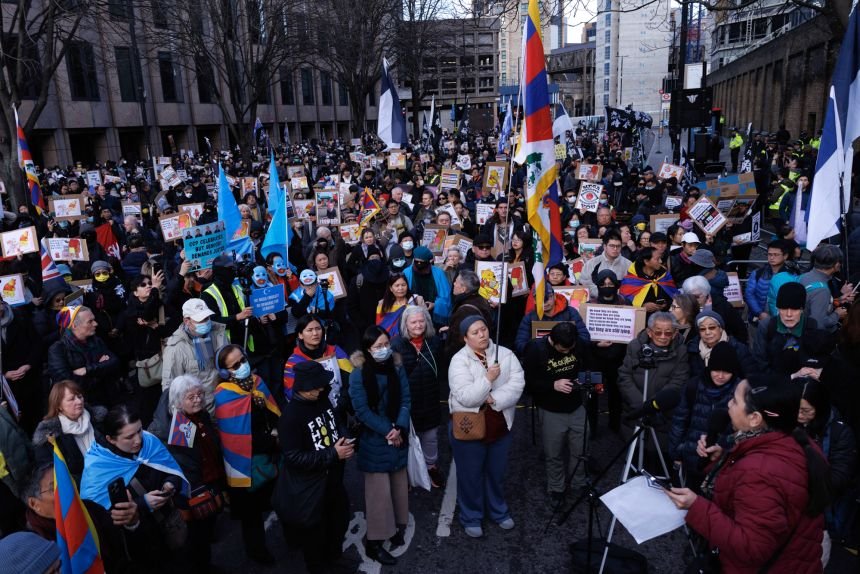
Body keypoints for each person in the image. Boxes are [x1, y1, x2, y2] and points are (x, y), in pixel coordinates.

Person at [665, 377, 830, 573]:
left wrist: (697, 507)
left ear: (755, 418)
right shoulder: (791, 440)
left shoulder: (760, 472)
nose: (728, 404)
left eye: (735, 401)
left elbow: (752, 548)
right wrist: (720, 460)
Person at [448, 316, 525, 538]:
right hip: (469, 429)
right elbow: (466, 396)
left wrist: (494, 398)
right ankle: (471, 516)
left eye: (483, 329)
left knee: (496, 473)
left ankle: (498, 511)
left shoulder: (506, 354)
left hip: (499, 427)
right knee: (470, 476)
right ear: (465, 338)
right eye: (475, 332)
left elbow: (517, 383)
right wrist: (488, 379)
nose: (482, 334)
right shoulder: (458, 361)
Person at [274, 361, 354, 574]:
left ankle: (334, 558)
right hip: (311, 488)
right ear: (304, 387)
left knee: (338, 522)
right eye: (316, 386)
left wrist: (345, 437)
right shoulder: (290, 417)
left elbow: (336, 423)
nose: (321, 389)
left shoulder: (322, 399)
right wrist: (333, 454)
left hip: (333, 480)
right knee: (315, 535)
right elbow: (293, 457)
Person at [79, 405, 190, 558]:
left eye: (139, 430)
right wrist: (142, 503)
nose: (138, 440)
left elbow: (170, 469)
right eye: (129, 437)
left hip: (171, 524)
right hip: (139, 543)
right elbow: (100, 517)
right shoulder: (97, 467)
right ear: (110, 439)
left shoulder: (149, 441)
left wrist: (170, 483)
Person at [148, 375, 225, 574]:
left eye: (200, 394)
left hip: (209, 480)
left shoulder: (200, 415)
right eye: (191, 397)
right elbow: (183, 463)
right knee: (195, 538)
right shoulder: (174, 427)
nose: (198, 400)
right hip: (193, 490)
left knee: (204, 533)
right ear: (178, 401)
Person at [348, 326, 411, 566]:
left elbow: (406, 399)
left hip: (397, 435)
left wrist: (399, 427)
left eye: (386, 345)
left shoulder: (397, 367)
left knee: (397, 487)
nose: (384, 349)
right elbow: (362, 410)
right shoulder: (358, 374)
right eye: (378, 347)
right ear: (368, 349)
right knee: (378, 495)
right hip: (374, 438)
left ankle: (393, 528)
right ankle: (374, 543)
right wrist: (388, 430)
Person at [213, 344, 281, 564]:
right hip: (245, 465)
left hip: (270, 454)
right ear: (225, 372)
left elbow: (273, 412)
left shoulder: (257, 382)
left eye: (243, 360)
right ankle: (258, 553)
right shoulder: (224, 397)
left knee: (281, 498)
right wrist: (273, 441)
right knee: (252, 516)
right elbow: (237, 438)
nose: (243, 366)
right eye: (235, 365)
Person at [523, 322, 589, 503]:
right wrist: (552, 384)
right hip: (550, 409)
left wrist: (583, 379)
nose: (567, 353)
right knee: (553, 453)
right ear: (552, 341)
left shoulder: (578, 343)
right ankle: (556, 488)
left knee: (581, 449)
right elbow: (528, 383)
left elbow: (588, 365)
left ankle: (578, 482)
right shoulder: (535, 349)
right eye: (563, 350)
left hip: (576, 406)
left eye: (570, 349)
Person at [668, 342, 741, 492]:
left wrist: (724, 446)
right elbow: (679, 420)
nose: (720, 376)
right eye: (716, 370)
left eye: (726, 372)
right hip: (691, 457)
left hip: (722, 462)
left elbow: (741, 429)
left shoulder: (740, 392)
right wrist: (677, 452)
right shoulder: (693, 386)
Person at [796, 377, 858, 545]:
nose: (799, 415)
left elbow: (839, 477)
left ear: (820, 407)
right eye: (796, 408)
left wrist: (801, 482)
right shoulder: (788, 423)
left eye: (806, 411)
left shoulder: (840, 433)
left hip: (822, 507)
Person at [390, 305, 445, 488]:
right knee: (407, 439)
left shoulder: (434, 342)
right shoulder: (396, 345)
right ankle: (407, 473)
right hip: (408, 402)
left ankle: (431, 467)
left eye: (422, 321)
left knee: (430, 437)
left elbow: (442, 369)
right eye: (413, 322)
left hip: (430, 399)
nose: (418, 325)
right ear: (405, 324)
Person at [617, 312, 690, 443]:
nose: (663, 337)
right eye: (658, 332)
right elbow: (624, 376)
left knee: (656, 452)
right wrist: (641, 405)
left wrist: (654, 405)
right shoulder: (635, 346)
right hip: (635, 410)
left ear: (675, 334)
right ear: (649, 332)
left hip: (662, 414)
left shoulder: (681, 351)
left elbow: (678, 382)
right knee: (633, 449)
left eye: (668, 333)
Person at [161, 299, 228, 415]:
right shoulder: (176, 348)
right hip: (202, 411)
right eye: (200, 320)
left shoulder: (218, 332)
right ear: (187, 321)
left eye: (207, 318)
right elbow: (170, 388)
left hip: (226, 400)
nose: (206, 322)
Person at [752, 282, 834, 377]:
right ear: (778, 309)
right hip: (774, 382)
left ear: (802, 310)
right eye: (784, 308)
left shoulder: (813, 326)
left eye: (794, 309)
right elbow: (760, 364)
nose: (789, 314)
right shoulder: (766, 326)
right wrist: (789, 378)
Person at [46, 306, 121, 409]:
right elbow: (68, 384)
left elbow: (114, 362)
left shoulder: (96, 340)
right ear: (74, 326)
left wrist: (87, 370)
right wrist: (100, 370)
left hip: (108, 398)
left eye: (94, 320)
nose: (96, 323)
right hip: (82, 406)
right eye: (90, 321)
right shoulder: (57, 350)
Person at [32, 381, 104, 484]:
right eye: (71, 399)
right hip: (82, 488)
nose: (79, 401)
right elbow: (54, 476)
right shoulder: (48, 438)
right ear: (59, 406)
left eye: (80, 397)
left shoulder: (98, 419)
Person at [282, 314, 352, 406]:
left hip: (341, 402)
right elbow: (290, 392)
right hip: (312, 407)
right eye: (309, 330)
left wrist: (344, 397)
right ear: (300, 335)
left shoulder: (334, 350)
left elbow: (351, 376)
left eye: (318, 329)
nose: (315, 333)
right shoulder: (293, 362)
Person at [515, 284, 591, 355]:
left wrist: (566, 345)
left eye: (547, 297)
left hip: (568, 356)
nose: (544, 302)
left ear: (554, 296)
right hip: (542, 358)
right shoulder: (529, 318)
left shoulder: (571, 312)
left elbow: (585, 338)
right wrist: (539, 348)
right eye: (539, 298)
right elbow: (520, 344)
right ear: (534, 301)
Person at [799, 244, 855, 334]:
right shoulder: (822, 290)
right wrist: (837, 315)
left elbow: (811, 303)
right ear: (836, 265)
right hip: (819, 338)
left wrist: (839, 300)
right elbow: (818, 324)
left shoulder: (804, 276)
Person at [686, 310, 755, 381]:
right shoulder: (692, 349)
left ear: (721, 329)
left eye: (712, 327)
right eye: (702, 329)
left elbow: (752, 376)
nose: (707, 332)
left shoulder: (738, 349)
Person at [681, 275, 749, 345]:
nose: (693, 300)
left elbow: (739, 330)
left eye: (696, 296)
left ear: (706, 293)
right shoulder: (683, 307)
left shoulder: (723, 306)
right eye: (689, 297)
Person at [446, 269, 495, 359]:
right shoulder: (481, 299)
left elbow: (456, 341)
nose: (454, 284)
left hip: (467, 357)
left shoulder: (464, 310)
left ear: (463, 289)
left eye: (456, 282)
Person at [403, 245, 452, 327]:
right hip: (413, 313)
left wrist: (435, 305)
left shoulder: (438, 273)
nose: (419, 264)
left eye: (422, 262)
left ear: (428, 262)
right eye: (416, 262)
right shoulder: (407, 273)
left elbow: (446, 296)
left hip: (434, 315)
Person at [745, 239, 791, 323]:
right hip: (758, 319)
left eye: (776, 255)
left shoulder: (791, 276)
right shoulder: (758, 273)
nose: (772, 257)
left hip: (781, 320)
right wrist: (759, 313)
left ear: (785, 256)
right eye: (769, 254)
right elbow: (749, 294)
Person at [619, 247, 677, 313]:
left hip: (663, 315)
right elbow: (624, 303)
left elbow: (674, 297)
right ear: (646, 261)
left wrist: (666, 305)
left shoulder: (664, 276)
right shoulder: (631, 280)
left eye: (660, 258)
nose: (661, 261)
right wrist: (642, 307)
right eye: (657, 259)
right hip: (640, 316)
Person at [579, 230, 632, 299]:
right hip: (596, 302)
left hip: (620, 302)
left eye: (618, 246)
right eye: (612, 246)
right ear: (604, 246)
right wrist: (604, 293)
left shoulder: (628, 265)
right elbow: (585, 284)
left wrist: (614, 295)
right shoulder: (591, 263)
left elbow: (631, 286)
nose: (615, 249)